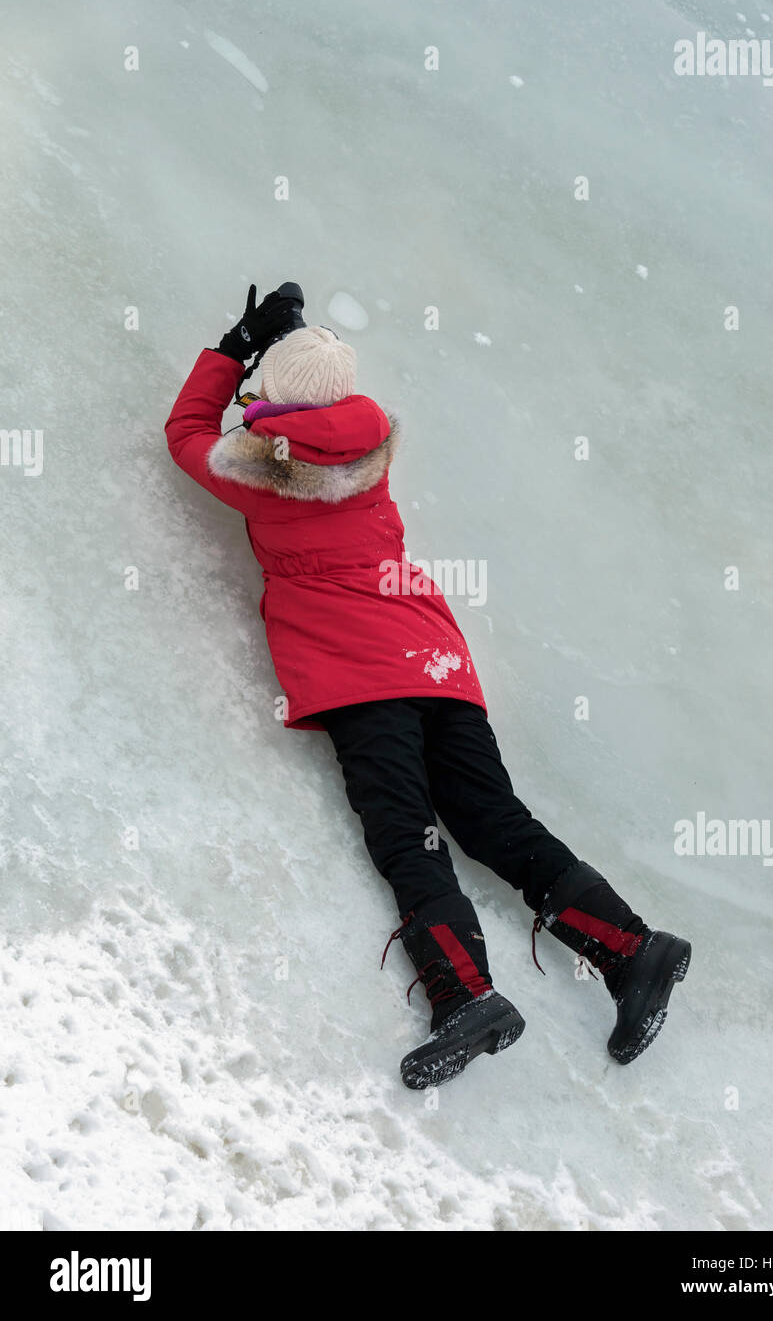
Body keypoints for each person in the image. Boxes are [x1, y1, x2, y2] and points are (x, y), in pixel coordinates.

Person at [165, 283, 691, 1089]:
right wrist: (295, 344)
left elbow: (188, 433)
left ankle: (464, 997)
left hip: (357, 672)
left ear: (272, 398)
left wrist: (238, 344)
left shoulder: (262, 469)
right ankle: (629, 948)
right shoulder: (370, 440)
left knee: (404, 832)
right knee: (489, 816)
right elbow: (319, 404)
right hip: (435, 655)